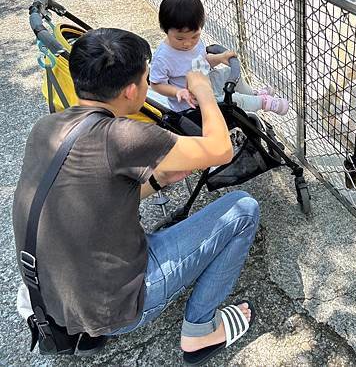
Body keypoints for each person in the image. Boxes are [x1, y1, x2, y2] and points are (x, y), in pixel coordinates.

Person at [12, 28, 260, 365]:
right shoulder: (124, 135)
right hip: (114, 308)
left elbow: (99, 194)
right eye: (146, 78)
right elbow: (221, 149)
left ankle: (89, 326)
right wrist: (202, 90)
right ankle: (199, 331)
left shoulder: (46, 127)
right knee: (243, 209)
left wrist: (156, 182)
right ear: (131, 91)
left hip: (52, 301)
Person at [150, 0, 288, 116]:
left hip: (208, 80)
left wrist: (220, 58)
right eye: (180, 38)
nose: (188, 43)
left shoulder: (196, 43)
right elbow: (156, 84)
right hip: (193, 102)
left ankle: (252, 95)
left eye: (194, 36)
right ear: (165, 29)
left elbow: (202, 61)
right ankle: (263, 102)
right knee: (233, 100)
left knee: (229, 73)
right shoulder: (163, 57)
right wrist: (178, 92)